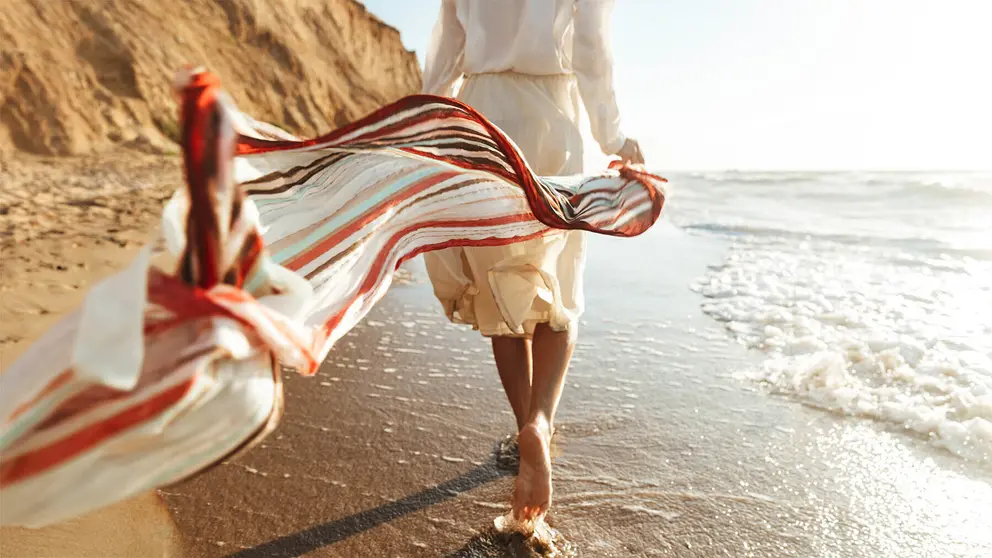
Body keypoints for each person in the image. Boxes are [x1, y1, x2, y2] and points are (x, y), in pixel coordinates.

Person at [422, 0, 644, 522]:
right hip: (554, 115)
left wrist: (429, 120)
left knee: (499, 290)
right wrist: (613, 137)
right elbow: (591, 48)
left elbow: (448, 48)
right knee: (557, 289)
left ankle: (522, 423)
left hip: (482, 117)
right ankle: (541, 423)